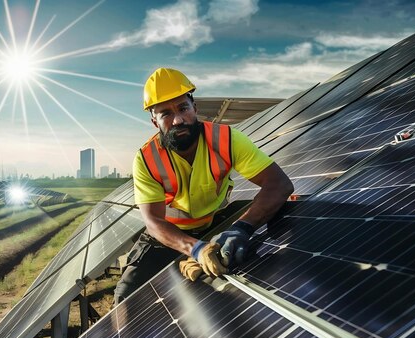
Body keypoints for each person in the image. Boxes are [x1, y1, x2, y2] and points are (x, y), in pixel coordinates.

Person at [113, 68, 294, 304]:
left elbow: (278, 184)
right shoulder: (146, 159)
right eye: (166, 114)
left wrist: (243, 228)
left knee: (282, 213)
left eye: (183, 108)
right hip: (169, 233)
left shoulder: (227, 139)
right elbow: (154, 222)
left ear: (194, 108)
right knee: (126, 297)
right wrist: (195, 249)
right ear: (154, 121)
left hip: (217, 223)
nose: (178, 119)